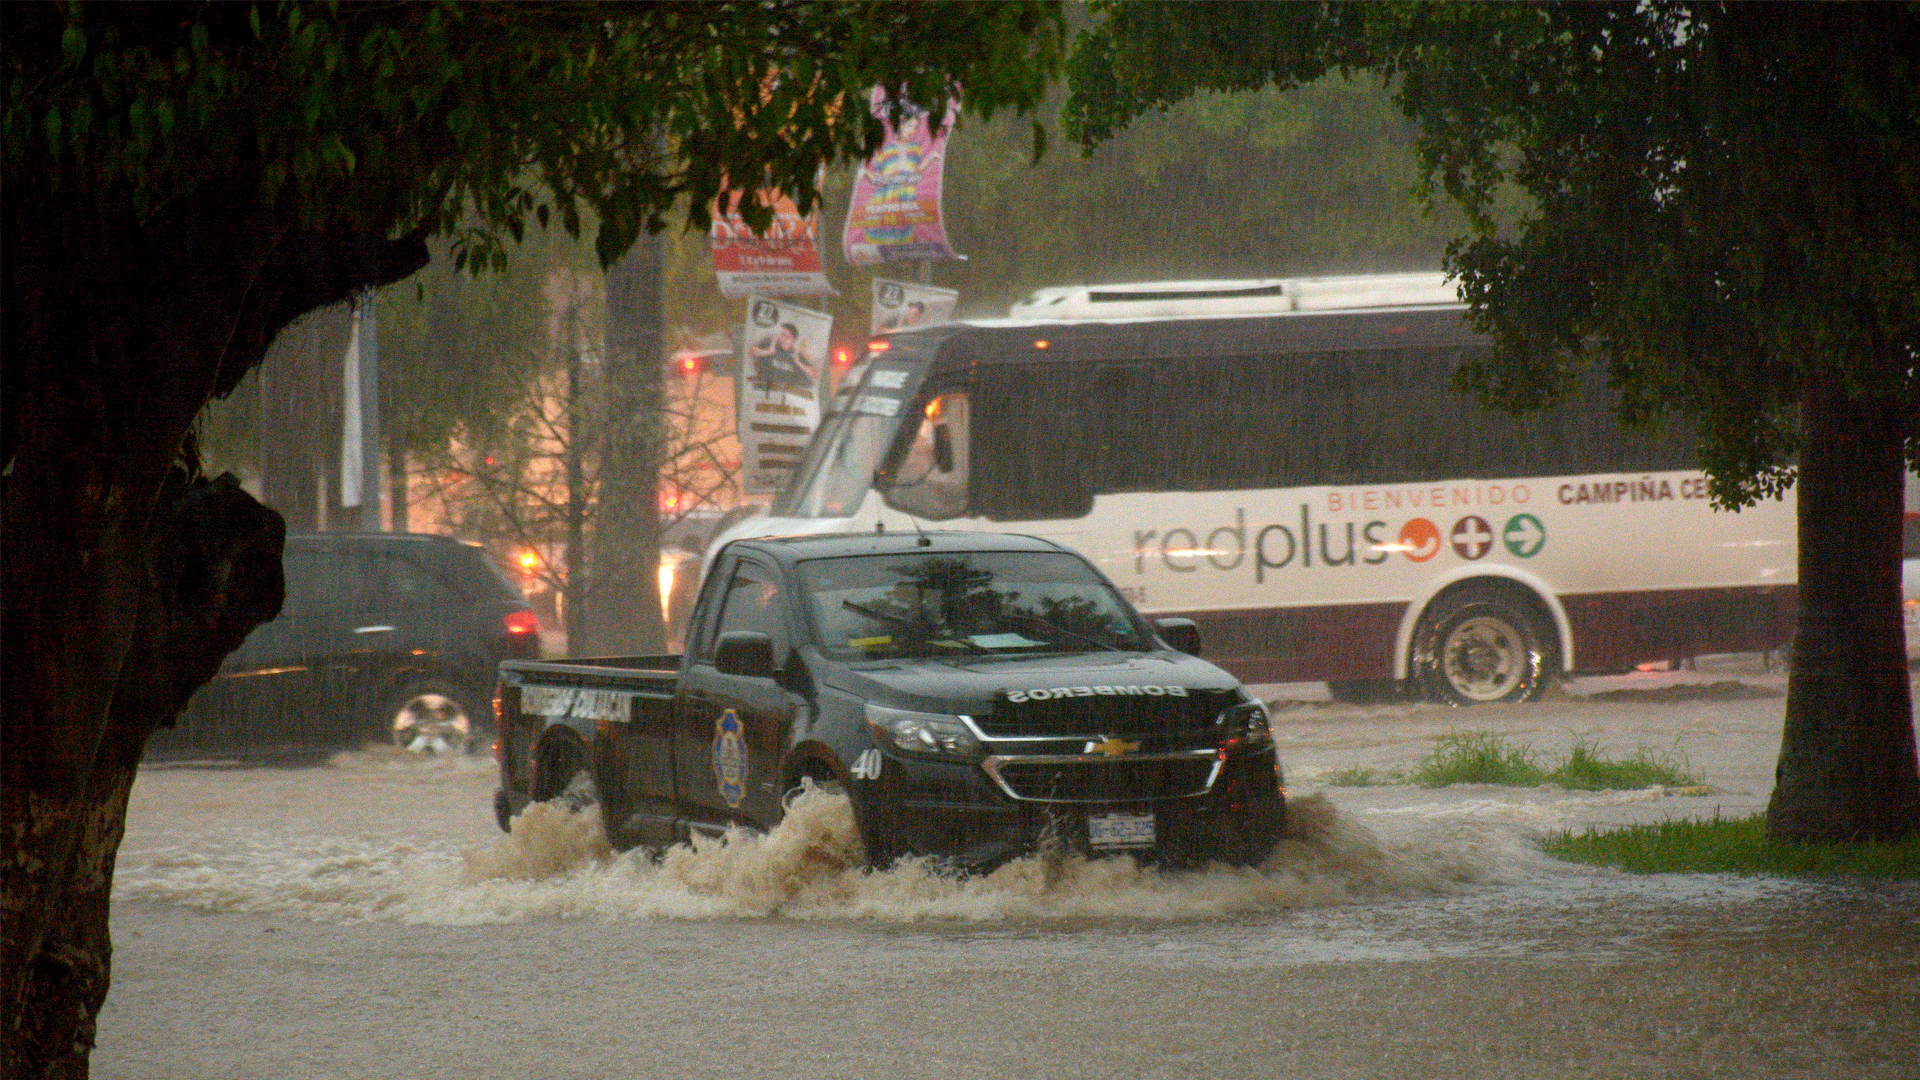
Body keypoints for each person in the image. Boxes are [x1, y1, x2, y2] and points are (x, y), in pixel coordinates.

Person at [747, 322, 817, 395]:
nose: (784, 339)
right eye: (783, 335)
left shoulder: (796, 354)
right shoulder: (770, 344)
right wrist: (768, 352)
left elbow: (814, 374)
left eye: (788, 337)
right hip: (764, 389)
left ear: (793, 340)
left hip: (785, 394)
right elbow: (751, 352)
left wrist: (798, 363)